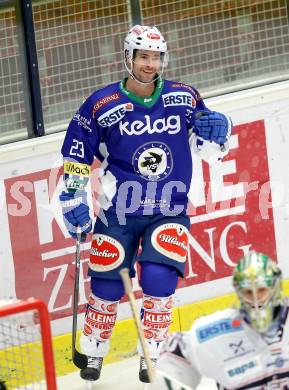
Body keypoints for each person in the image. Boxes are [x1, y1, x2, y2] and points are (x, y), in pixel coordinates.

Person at [59, 25, 232, 383]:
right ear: (129, 58)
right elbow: (77, 156)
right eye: (143, 56)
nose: (150, 64)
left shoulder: (185, 97)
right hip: (118, 211)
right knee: (107, 285)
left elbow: (210, 148)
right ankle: (93, 347)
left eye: (156, 57)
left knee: (158, 278)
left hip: (169, 208)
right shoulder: (101, 104)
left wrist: (221, 129)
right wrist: (73, 198)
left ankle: (152, 351)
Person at [146, 250, 289, 389]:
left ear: (274, 287)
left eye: (262, 290)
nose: (256, 300)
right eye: (248, 292)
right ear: (239, 292)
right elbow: (179, 350)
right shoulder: (213, 333)